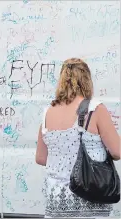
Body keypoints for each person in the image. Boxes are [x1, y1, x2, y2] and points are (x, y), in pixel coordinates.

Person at [35, 58, 120, 218]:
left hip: (57, 201)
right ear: (86, 80)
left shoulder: (47, 112)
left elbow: (40, 158)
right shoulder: (95, 109)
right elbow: (117, 152)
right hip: (89, 196)